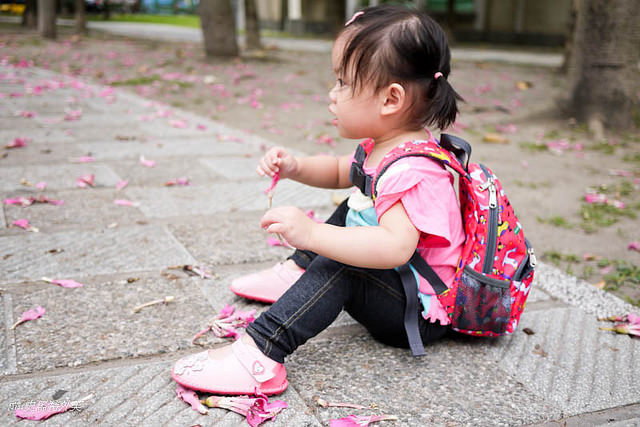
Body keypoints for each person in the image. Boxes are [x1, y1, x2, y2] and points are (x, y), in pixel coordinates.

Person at [172, 4, 465, 396]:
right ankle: (300, 273)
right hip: (401, 286)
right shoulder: (390, 146)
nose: (332, 94)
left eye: (343, 82)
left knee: (344, 262)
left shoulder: (411, 170)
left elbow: (395, 247)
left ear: (390, 99)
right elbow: (342, 170)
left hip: (416, 313)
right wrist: (295, 167)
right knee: (355, 204)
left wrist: (311, 234)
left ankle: (261, 354)